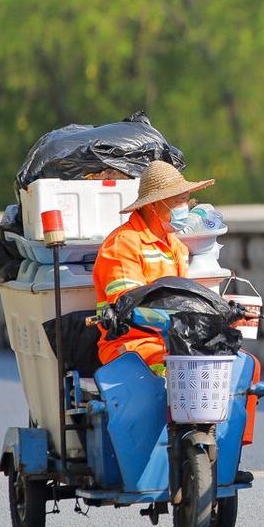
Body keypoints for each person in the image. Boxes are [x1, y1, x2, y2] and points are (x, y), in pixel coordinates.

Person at [93, 160, 214, 373]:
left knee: (240, 363)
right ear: (153, 205)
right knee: (183, 369)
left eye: (186, 201)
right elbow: (126, 308)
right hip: (130, 346)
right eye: (178, 202)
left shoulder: (176, 245)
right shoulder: (123, 244)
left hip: (172, 341)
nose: (184, 208)